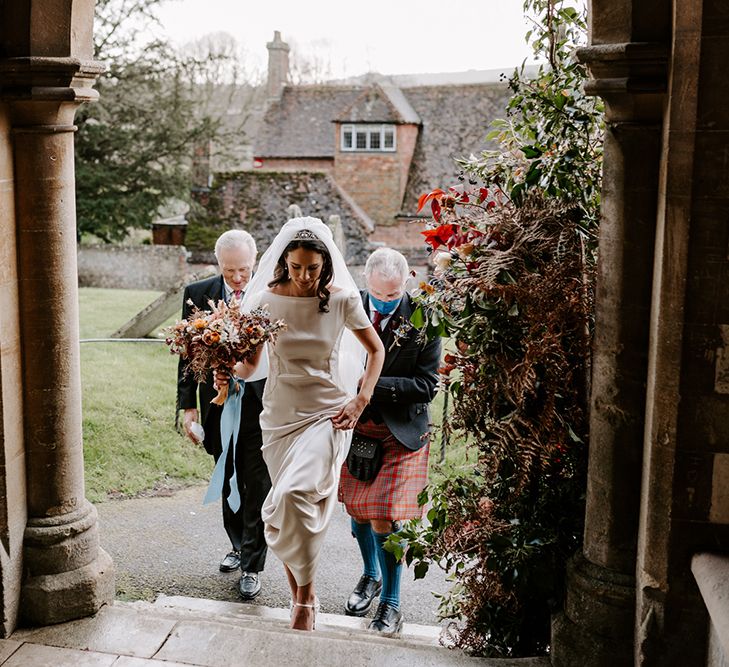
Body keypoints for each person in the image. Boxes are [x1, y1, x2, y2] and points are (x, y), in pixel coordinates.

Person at [224, 217, 385, 632]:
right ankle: (301, 597)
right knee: (291, 506)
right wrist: (218, 357)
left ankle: (307, 592)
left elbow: (375, 351)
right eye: (296, 268)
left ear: (325, 266)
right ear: (284, 263)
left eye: (313, 269)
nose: (304, 276)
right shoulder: (265, 301)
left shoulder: (343, 300)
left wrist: (361, 398)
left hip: (329, 413)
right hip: (279, 416)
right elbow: (251, 365)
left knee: (294, 497)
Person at [338, 247, 441, 636]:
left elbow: (426, 385)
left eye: (393, 295)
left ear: (407, 282)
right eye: (380, 295)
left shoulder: (425, 318)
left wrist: (368, 388)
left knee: (384, 516)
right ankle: (370, 575)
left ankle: (391, 605)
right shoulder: (346, 309)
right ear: (366, 282)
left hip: (401, 429)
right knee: (358, 512)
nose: (385, 301)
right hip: (354, 427)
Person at [177, 229, 270, 600]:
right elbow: (187, 359)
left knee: (257, 486)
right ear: (218, 264)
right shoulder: (197, 295)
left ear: (255, 260)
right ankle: (237, 544)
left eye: (244, 270)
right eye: (230, 270)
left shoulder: (267, 296)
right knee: (228, 479)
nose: (237, 278)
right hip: (216, 410)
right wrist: (188, 409)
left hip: (260, 408)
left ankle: (252, 565)